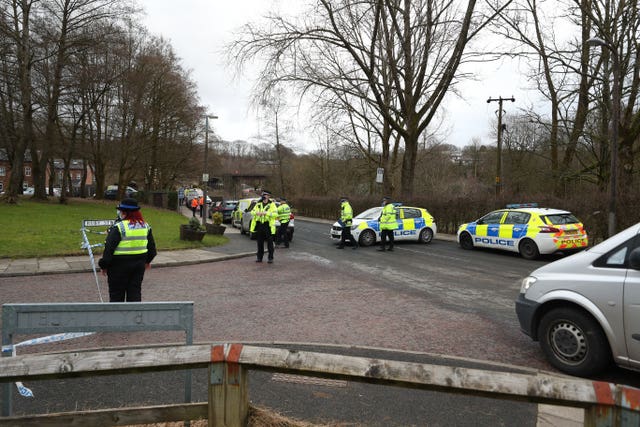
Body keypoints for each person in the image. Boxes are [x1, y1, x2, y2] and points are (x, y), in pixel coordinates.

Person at [98, 198, 157, 302]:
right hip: (138, 266)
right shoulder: (146, 226)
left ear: (124, 212)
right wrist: (147, 262)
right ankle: (134, 318)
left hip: (117, 267)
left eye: (121, 211)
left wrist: (104, 265)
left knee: (116, 296)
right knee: (135, 295)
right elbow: (152, 250)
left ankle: (118, 318)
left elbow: (109, 249)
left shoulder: (119, 227)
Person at [250, 190, 278, 263]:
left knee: (270, 243)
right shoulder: (258, 204)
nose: (265, 196)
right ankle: (259, 257)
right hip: (259, 225)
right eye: (264, 195)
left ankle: (270, 258)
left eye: (266, 195)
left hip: (268, 225)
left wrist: (267, 213)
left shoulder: (272, 204)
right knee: (259, 242)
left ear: (268, 196)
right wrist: (257, 213)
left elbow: (275, 214)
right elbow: (252, 212)